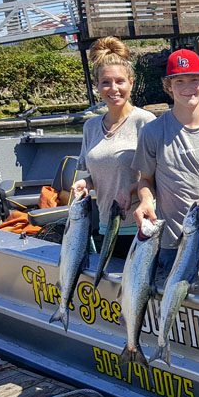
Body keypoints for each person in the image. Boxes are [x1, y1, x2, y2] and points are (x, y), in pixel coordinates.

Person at [131, 48, 199, 286]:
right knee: (175, 303)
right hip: (171, 239)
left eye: (195, 80)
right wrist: (146, 201)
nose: (188, 87)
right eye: (179, 81)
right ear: (168, 86)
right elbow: (146, 179)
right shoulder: (152, 132)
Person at [71, 37, 155, 256]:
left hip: (140, 228)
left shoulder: (145, 122)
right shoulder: (90, 127)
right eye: (106, 82)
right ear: (97, 86)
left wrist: (131, 189)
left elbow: (160, 176)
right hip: (105, 226)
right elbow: (99, 173)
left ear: (131, 83)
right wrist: (85, 183)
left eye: (120, 81)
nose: (113, 88)